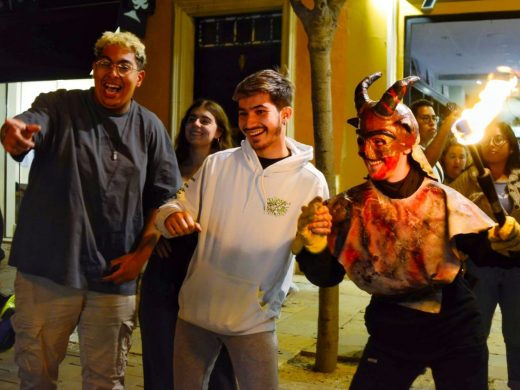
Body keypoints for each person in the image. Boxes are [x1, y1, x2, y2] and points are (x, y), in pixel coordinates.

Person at [292, 72, 520, 390]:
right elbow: (326, 277)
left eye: (379, 141)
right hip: (392, 332)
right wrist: (315, 246)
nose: (367, 152)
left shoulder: (443, 200)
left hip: (455, 328)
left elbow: (486, 249)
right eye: (362, 141)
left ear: (406, 140)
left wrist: (505, 240)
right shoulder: (350, 207)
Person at [0, 31, 181, 389]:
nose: (112, 73)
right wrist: (16, 133)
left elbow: (163, 199)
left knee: (106, 381)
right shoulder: (58, 105)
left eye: (123, 66)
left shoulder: (150, 128)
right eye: (104, 63)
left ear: (138, 77)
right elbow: (29, 126)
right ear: (94, 69)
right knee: (36, 376)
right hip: (47, 273)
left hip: (113, 279)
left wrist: (139, 258)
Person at [155, 69, 329, 389]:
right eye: (243, 113)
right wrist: (169, 218)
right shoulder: (218, 164)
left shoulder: (311, 181)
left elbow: (314, 251)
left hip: (255, 320)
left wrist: (315, 240)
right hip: (195, 313)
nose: (249, 123)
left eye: (260, 111)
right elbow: (175, 207)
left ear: (285, 113)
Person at [139, 98, 236, 390]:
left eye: (205, 120)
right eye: (191, 119)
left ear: (219, 131)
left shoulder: (230, 170)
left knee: (215, 360)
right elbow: (145, 208)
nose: (196, 124)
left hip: (209, 269)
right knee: (160, 349)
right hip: (165, 268)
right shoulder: (165, 164)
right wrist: (152, 239)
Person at [449, 121, 520, 390]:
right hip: (483, 266)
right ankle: (472, 383)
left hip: (517, 268)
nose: (492, 144)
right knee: (476, 330)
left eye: (499, 139)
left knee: (517, 333)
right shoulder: (471, 177)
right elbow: (452, 210)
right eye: (488, 139)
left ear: (511, 145)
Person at [411, 99, 460, 182]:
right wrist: (447, 125)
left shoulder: (429, 151)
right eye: (426, 118)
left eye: (434, 118)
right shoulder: (409, 150)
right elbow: (425, 166)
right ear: (413, 122)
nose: (432, 122)